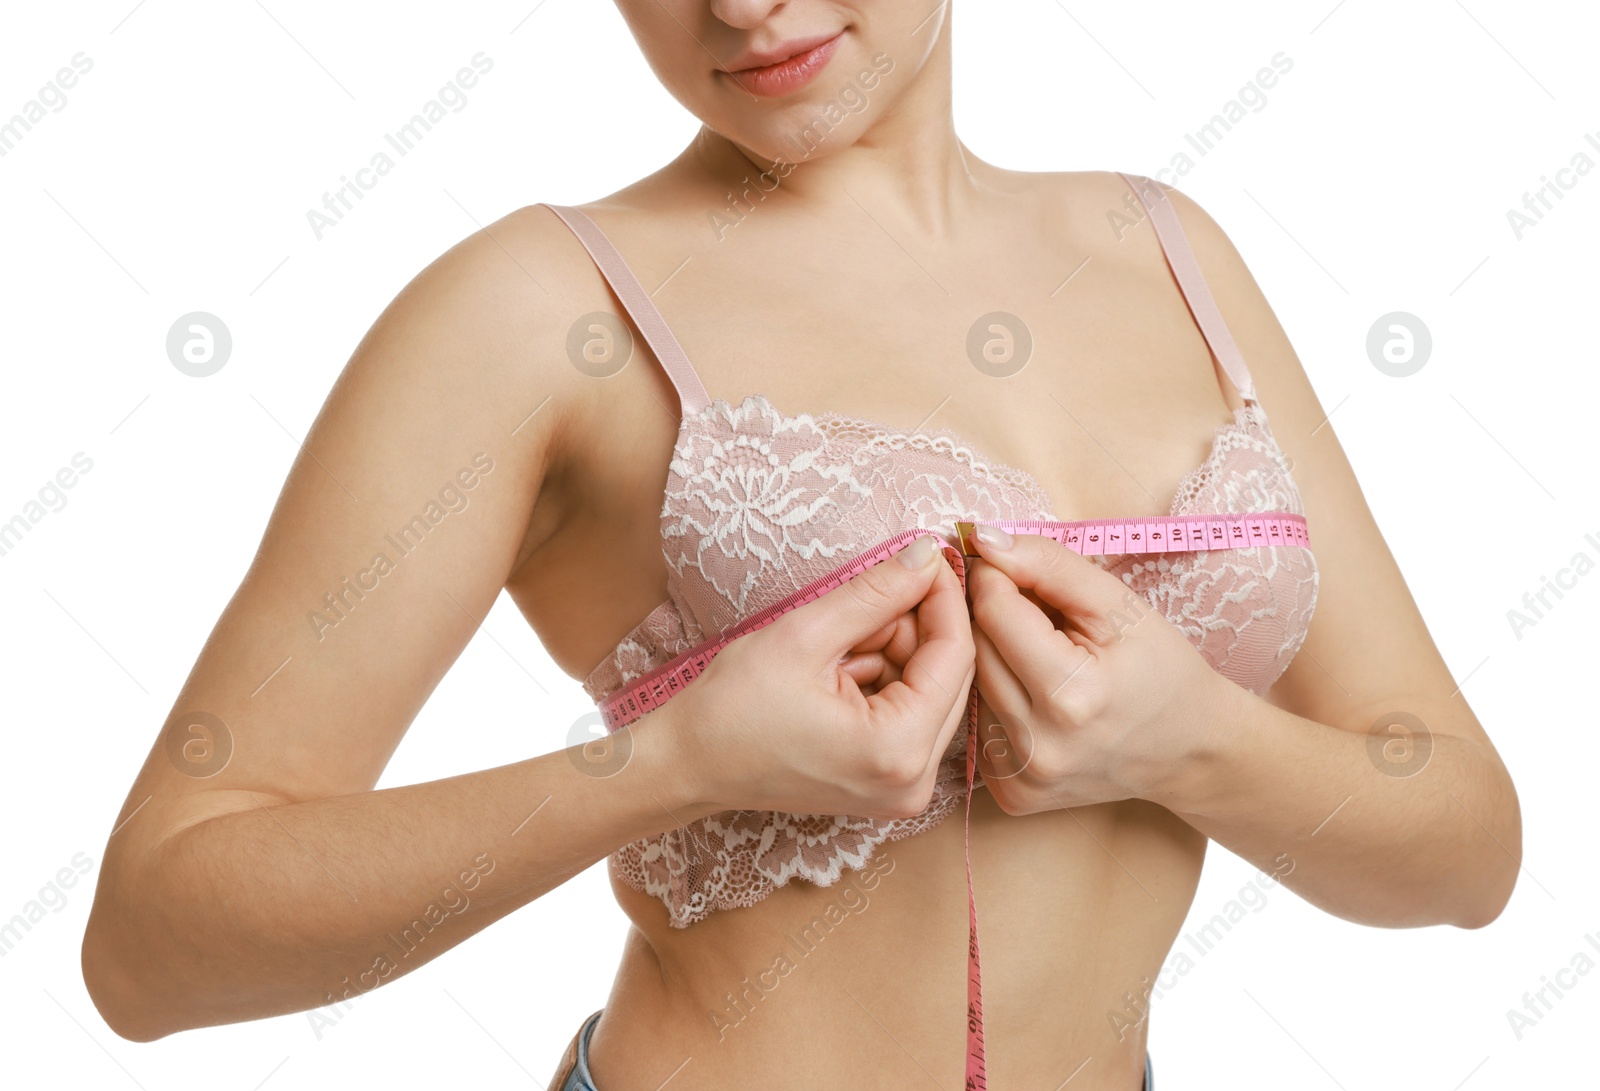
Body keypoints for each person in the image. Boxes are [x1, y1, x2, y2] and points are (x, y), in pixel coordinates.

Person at [81, 3, 1521, 1088]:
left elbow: (1465, 853)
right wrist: (676, 762)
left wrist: (1193, 740)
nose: (743, 4)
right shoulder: (537, 314)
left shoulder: (1172, 250)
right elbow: (150, 946)